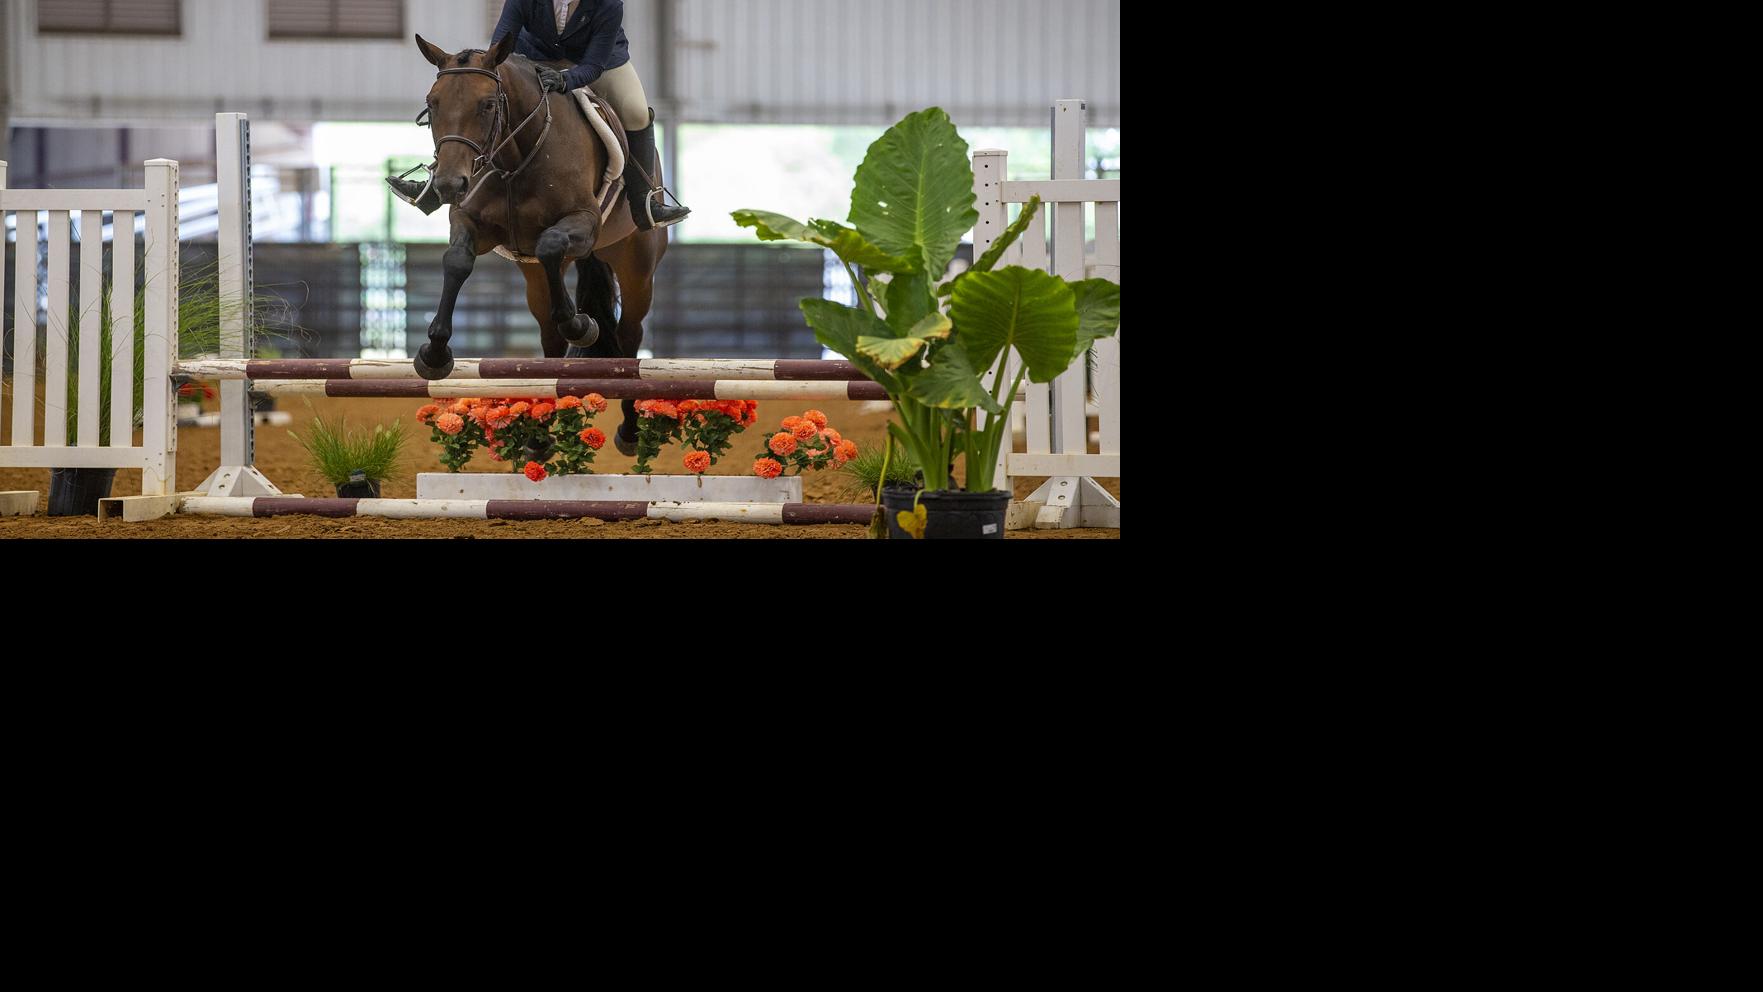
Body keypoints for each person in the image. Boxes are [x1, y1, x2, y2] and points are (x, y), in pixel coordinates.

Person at [388, 0, 689, 230]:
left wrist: (567, 80)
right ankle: (433, 185)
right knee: (478, 105)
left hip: (598, 63)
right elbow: (500, 44)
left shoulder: (608, 3)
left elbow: (594, 63)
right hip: (533, 59)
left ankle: (645, 202)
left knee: (635, 112)